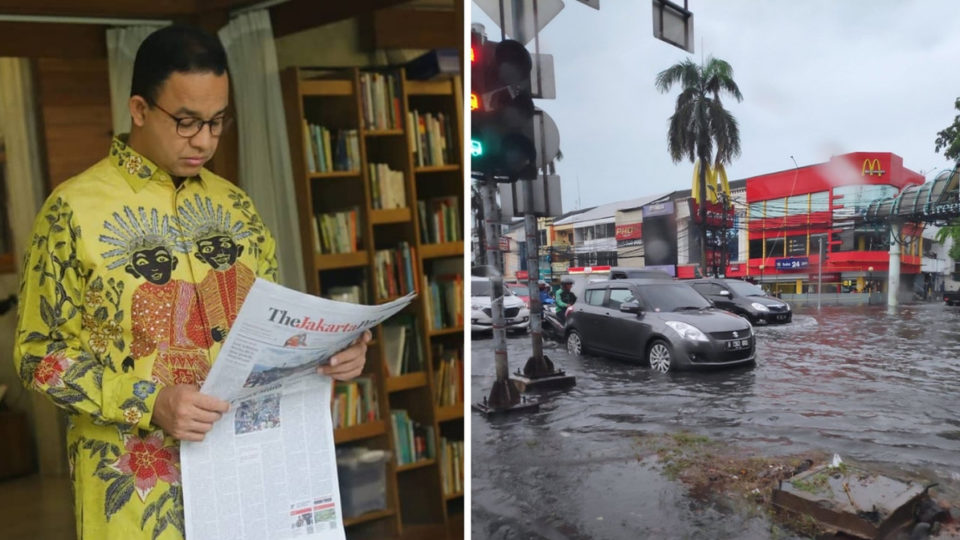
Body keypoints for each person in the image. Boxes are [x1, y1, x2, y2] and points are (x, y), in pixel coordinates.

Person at [12, 25, 370, 540]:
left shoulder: (236, 208)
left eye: (216, 122)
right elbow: (37, 355)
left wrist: (332, 354)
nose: (204, 140)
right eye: (186, 122)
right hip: (139, 496)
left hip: (250, 475)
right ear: (139, 109)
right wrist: (147, 400)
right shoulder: (71, 213)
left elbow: (271, 329)